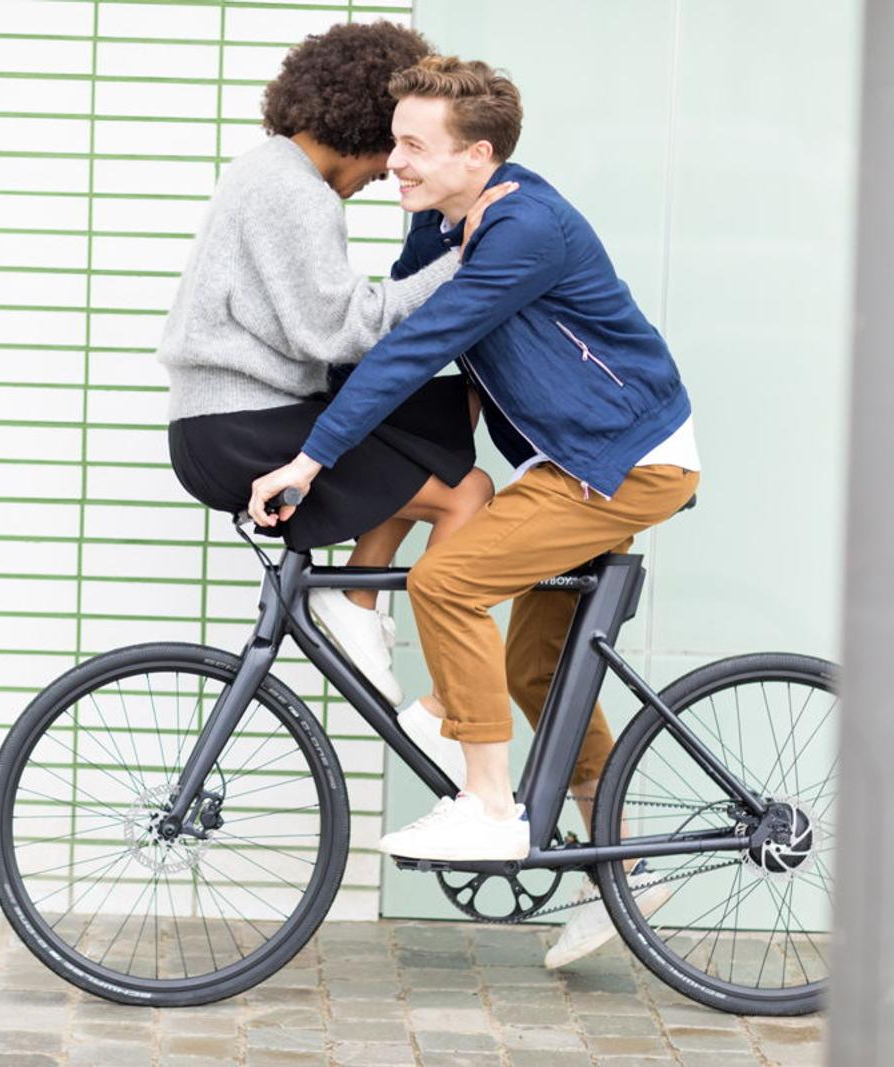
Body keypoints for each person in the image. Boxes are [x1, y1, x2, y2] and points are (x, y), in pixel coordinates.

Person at [246, 54, 701, 968]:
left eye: (415, 146)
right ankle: (633, 879)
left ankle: (489, 805)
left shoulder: (525, 226)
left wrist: (311, 456)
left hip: (621, 464)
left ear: (478, 154)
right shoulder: (445, 226)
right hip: (569, 463)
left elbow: (423, 346)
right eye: (396, 143)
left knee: (446, 580)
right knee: (536, 670)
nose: (396, 161)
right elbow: (378, 336)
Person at [157, 22, 510, 724]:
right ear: (366, 125)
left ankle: (354, 597)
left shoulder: (271, 172)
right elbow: (337, 327)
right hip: (240, 428)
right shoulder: (295, 190)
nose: (390, 171)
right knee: (468, 492)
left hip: (231, 417)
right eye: (395, 148)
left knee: (439, 413)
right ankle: (448, 708)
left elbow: (324, 332)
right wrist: (472, 258)